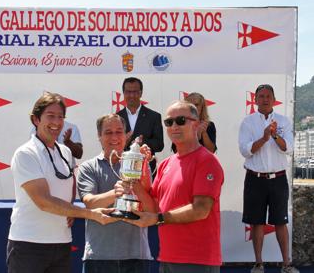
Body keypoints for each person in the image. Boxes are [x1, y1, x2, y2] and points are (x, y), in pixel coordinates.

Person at [7, 92, 115, 273]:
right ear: (36, 120)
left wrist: (70, 206)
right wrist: (90, 213)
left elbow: (69, 181)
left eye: (60, 117)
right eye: (50, 116)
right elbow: (43, 201)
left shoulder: (65, 152)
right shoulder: (26, 153)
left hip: (61, 242)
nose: (56, 122)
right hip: (28, 244)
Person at [124, 101, 224, 273]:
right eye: (169, 122)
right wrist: (136, 178)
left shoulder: (207, 161)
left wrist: (158, 219)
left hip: (197, 261)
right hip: (167, 259)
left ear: (196, 124)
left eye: (181, 120)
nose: (174, 126)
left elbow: (201, 210)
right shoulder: (165, 164)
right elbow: (153, 208)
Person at [76, 114, 153, 273]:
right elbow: (90, 203)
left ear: (126, 135)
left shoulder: (140, 164)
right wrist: (115, 192)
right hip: (99, 257)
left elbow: (151, 209)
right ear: (99, 136)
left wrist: (138, 174)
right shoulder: (88, 167)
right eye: (108, 132)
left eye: (119, 131)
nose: (114, 137)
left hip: (136, 256)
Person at [238, 84, 298, 273]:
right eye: (261, 96)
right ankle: (258, 264)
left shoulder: (284, 121)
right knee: (256, 222)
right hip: (255, 179)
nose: (264, 99)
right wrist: (264, 138)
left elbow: (288, 148)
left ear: (274, 99)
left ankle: (286, 265)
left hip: (278, 179)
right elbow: (245, 151)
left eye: (268, 96)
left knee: (281, 222)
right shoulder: (248, 122)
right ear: (255, 100)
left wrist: (274, 136)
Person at [116, 77, 164, 176]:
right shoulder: (116, 118)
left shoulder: (154, 116)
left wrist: (142, 142)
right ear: (123, 93)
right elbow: (111, 147)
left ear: (141, 93)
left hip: (147, 170)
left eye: (135, 92)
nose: (132, 95)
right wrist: (124, 141)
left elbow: (159, 145)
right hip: (123, 169)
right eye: (128, 92)